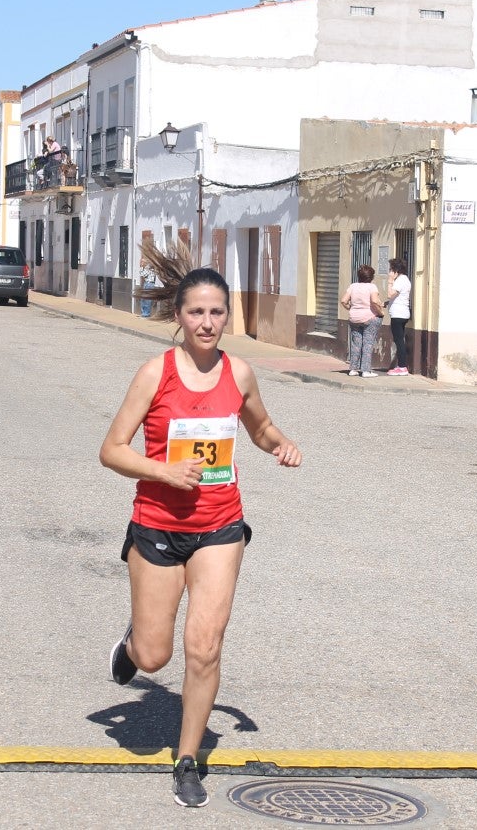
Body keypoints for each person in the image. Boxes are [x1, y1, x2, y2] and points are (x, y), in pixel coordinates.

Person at [100, 243, 302, 809]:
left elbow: (260, 429)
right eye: (196, 313)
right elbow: (111, 450)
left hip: (220, 526)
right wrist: (164, 469)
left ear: (226, 317)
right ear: (178, 318)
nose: (207, 323)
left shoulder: (238, 373)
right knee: (156, 655)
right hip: (158, 524)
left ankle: (187, 758)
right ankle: (132, 645)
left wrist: (280, 445)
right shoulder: (154, 374)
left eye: (216, 313)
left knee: (205, 647)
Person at [340, 264, 384, 377]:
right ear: (371, 277)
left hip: (354, 319)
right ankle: (365, 370)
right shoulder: (372, 287)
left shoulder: (353, 286)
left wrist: (350, 308)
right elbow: (374, 301)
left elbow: (343, 301)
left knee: (356, 344)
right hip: (369, 318)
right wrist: (380, 313)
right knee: (368, 344)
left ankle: (353, 369)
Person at [386, 257, 412, 375]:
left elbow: (390, 294)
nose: (390, 272)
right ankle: (401, 365)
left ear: (396, 270)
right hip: (402, 313)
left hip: (398, 314)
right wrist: (387, 303)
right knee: (399, 340)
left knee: (399, 341)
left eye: (391, 269)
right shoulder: (404, 279)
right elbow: (397, 297)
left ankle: (402, 367)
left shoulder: (400, 280)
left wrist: (390, 281)